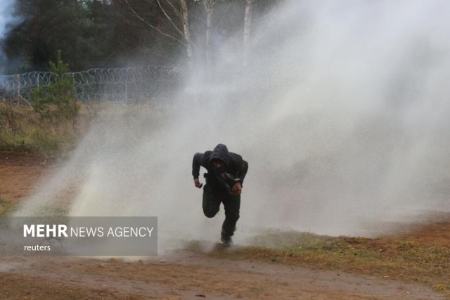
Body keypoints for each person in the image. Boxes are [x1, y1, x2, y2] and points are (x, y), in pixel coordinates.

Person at [192, 144, 248, 245]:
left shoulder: (236, 161)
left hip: (231, 189)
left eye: (220, 162)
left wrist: (239, 182)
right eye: (215, 162)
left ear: (226, 160)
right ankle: (215, 207)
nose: (217, 165)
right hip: (213, 189)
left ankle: (226, 236)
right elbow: (196, 157)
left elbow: (245, 166)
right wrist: (195, 177)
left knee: (233, 215)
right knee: (209, 212)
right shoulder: (206, 158)